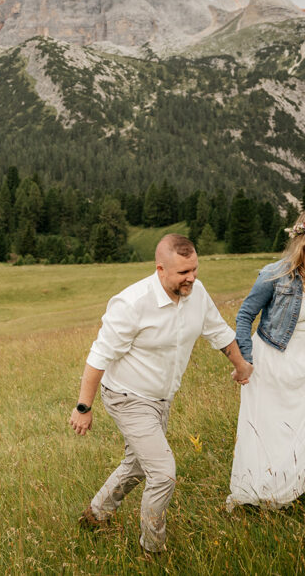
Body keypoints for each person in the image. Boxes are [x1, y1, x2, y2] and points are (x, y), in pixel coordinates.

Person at [69, 234, 253, 553]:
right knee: (163, 473)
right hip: (127, 396)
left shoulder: (197, 293)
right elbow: (99, 356)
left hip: (161, 399)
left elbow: (219, 332)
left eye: (194, 269)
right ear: (160, 269)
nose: (192, 277)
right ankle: (153, 549)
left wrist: (241, 367)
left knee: (138, 464)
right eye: (183, 272)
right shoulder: (132, 303)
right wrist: (83, 407)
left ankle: (96, 514)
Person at [226, 207, 305, 510]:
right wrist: (245, 360)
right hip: (272, 360)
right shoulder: (274, 274)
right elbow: (245, 316)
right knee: (270, 427)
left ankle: (288, 488)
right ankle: (257, 491)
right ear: (303, 237)